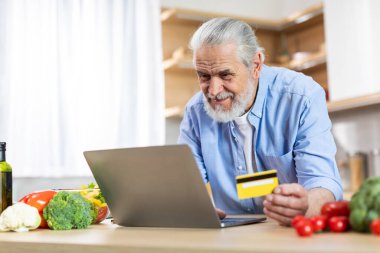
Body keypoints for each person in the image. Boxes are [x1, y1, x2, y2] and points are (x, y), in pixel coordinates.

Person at [177, 17, 343, 226]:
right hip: (233, 237)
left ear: (255, 65)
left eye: (225, 75)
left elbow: (323, 182)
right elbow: (185, 188)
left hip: (292, 233)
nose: (213, 90)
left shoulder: (301, 96)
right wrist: (189, 207)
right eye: (204, 76)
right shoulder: (196, 111)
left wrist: (306, 205)